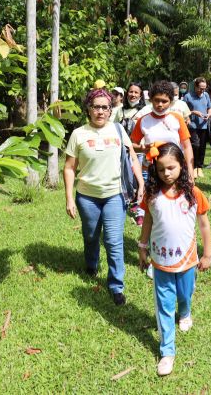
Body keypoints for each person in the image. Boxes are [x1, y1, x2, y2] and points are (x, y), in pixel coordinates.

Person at [137, 142, 211, 377]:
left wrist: (207, 253)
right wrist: (142, 247)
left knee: (184, 294)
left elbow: (204, 225)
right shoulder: (152, 195)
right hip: (160, 260)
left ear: (182, 165)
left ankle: (186, 312)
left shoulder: (193, 193)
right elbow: (147, 222)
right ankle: (167, 351)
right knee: (164, 305)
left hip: (188, 259)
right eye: (161, 170)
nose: (166, 173)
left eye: (171, 167)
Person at [64, 88, 145, 306]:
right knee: (91, 235)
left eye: (105, 107)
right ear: (88, 109)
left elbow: (132, 158)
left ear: (111, 109)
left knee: (113, 240)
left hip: (114, 195)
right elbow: (70, 168)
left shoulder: (118, 130)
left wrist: (141, 181)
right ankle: (91, 264)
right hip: (87, 196)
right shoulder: (78, 134)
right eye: (96, 107)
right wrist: (69, 198)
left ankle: (116, 285)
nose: (100, 111)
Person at [131, 80, 195, 182]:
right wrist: (142, 149)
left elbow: (187, 147)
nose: (160, 104)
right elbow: (132, 146)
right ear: (151, 99)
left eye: (164, 101)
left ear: (171, 102)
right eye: (157, 100)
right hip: (149, 171)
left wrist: (190, 172)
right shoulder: (142, 121)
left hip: (174, 171)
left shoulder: (177, 119)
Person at [183, 77, 211, 179]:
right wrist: (193, 112)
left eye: (204, 88)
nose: (202, 90)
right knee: (195, 145)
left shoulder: (206, 96)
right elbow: (183, 111)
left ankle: (199, 167)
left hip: (203, 125)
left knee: (202, 147)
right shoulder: (188, 96)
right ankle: (194, 166)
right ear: (195, 86)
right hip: (192, 125)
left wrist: (209, 114)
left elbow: (210, 108)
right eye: (200, 88)